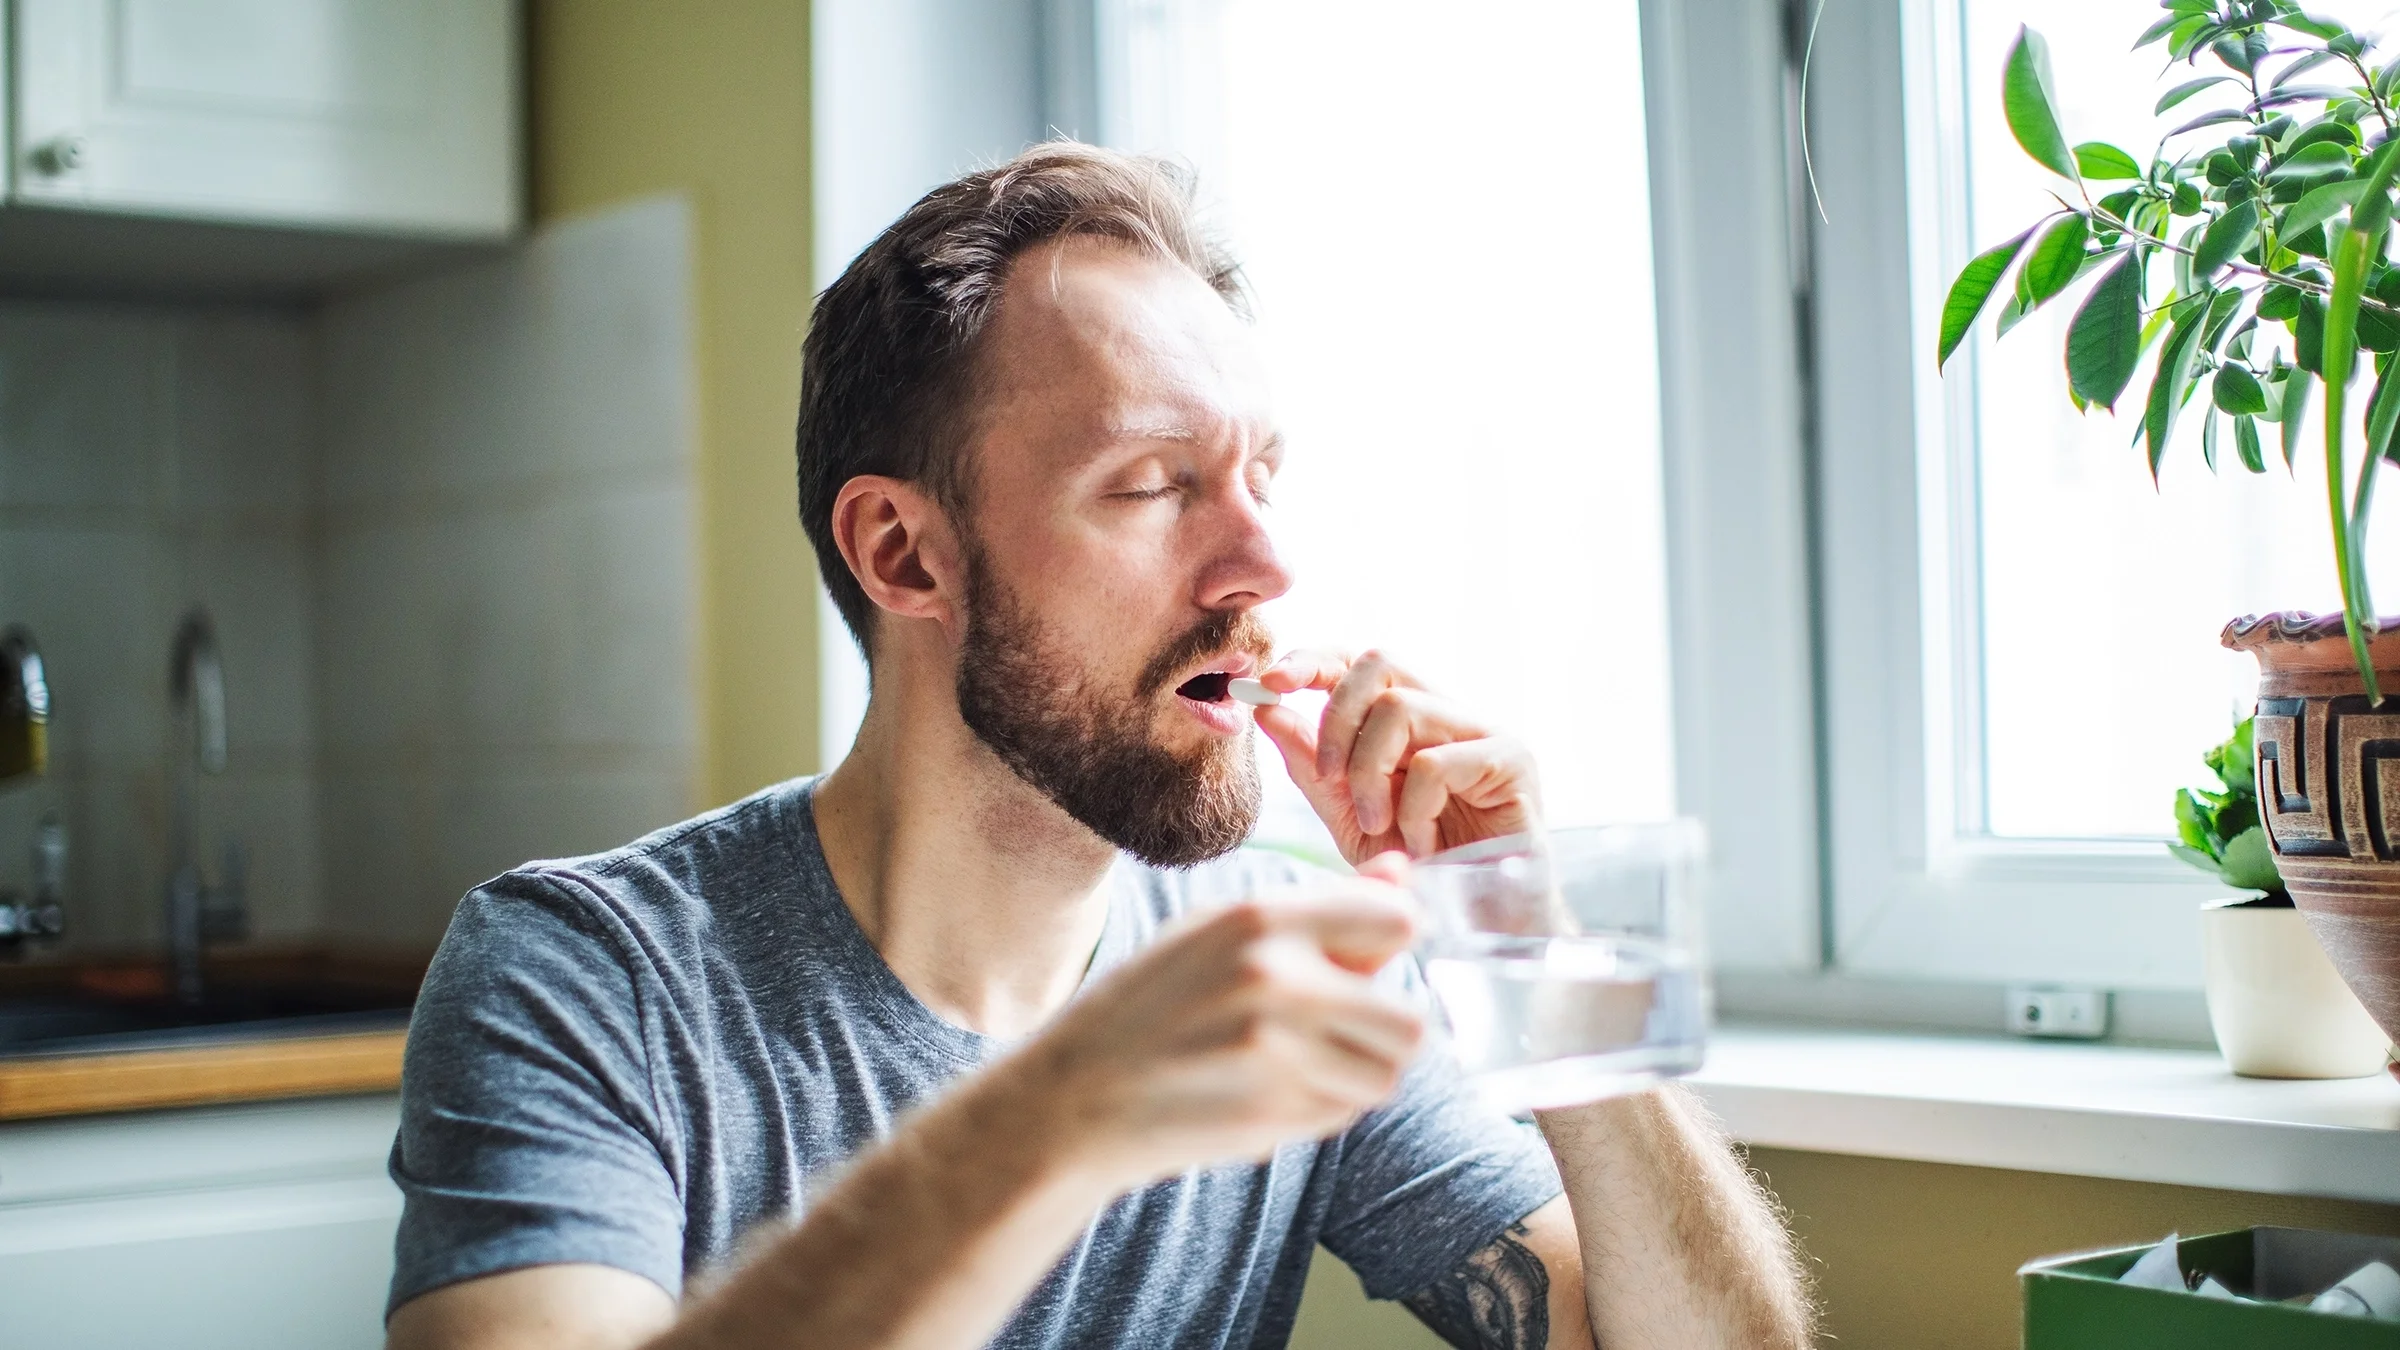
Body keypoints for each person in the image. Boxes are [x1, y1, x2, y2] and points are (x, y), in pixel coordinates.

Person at [382, 143, 1811, 1350]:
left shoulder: (1273, 947)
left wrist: (1530, 946)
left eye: (1262, 477)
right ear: (904, 550)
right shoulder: (586, 974)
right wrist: (1064, 1112)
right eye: (1152, 484)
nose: (1264, 563)